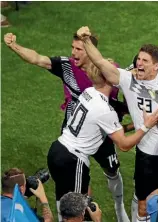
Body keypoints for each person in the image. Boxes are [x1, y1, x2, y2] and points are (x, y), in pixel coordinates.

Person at [3, 32, 131, 222]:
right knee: (74, 175)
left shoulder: (109, 72)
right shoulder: (66, 66)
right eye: (73, 47)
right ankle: (79, 210)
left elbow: (126, 97)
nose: (73, 53)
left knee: (112, 170)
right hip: (75, 133)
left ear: (91, 51)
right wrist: (14, 46)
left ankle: (119, 209)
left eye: (79, 49)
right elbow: (38, 59)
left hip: (103, 132)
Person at [76, 26, 158, 222]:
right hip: (147, 155)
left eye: (145, 61)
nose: (139, 63)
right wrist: (86, 40)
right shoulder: (127, 80)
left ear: (156, 66)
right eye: (139, 59)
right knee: (144, 203)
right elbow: (100, 61)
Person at [47, 59, 158, 221]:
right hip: (73, 160)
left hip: (57, 150)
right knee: (76, 213)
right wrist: (146, 125)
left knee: (64, 204)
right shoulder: (105, 110)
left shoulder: (88, 92)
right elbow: (123, 145)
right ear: (109, 79)